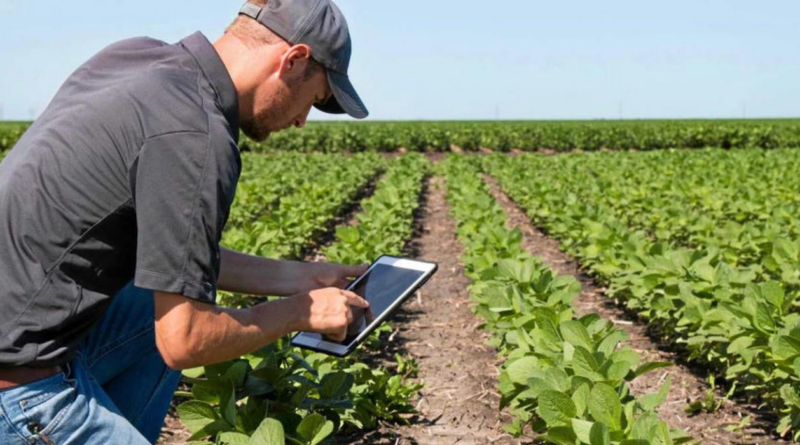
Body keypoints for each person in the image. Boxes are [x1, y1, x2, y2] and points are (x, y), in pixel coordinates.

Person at [0, 0, 370, 443]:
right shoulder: (198, 135)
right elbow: (185, 342)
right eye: (313, 100)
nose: (300, 122)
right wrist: (301, 312)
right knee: (178, 318)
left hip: (22, 336)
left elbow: (172, 258)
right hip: (20, 387)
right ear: (293, 60)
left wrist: (304, 278)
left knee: (148, 301)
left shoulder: (136, 59)